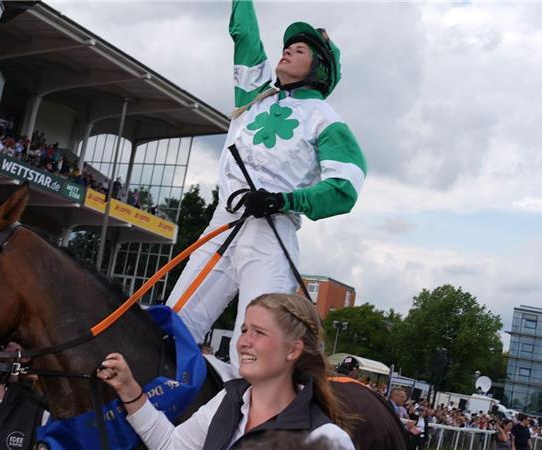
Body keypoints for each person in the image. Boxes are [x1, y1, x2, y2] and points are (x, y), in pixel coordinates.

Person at [165, 0, 366, 365]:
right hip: (222, 224)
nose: (287, 49)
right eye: (287, 46)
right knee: (171, 328)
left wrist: (282, 200)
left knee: (255, 349)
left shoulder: (326, 120)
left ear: (318, 68)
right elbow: (244, 33)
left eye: (300, 48)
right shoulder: (254, 94)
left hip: (271, 234)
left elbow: (344, 189)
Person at [97, 293, 355, 450]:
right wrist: (128, 388)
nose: (243, 342)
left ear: (293, 350)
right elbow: (171, 446)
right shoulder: (228, 401)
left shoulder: (326, 439)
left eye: (259, 332)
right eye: (244, 330)